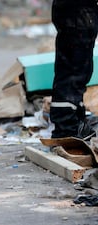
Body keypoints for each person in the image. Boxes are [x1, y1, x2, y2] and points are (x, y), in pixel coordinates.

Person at [50, 0, 98, 139]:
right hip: (78, 14)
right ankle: (66, 130)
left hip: (75, 13)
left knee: (76, 73)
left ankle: (75, 124)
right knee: (73, 74)